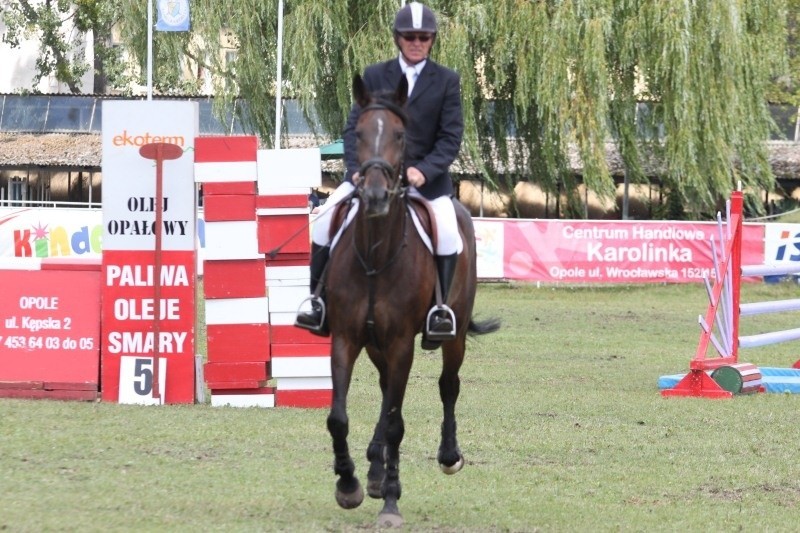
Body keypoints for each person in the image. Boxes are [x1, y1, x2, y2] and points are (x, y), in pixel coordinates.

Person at [295, 1, 464, 342]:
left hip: (424, 183)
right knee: (324, 220)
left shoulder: (446, 81)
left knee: (449, 232)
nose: (417, 42)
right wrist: (356, 171)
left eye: (424, 37)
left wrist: (424, 171)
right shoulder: (374, 75)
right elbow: (351, 130)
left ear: (432, 40)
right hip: (370, 178)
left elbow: (450, 137)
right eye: (409, 36)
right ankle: (316, 303)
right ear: (397, 38)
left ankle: (440, 310)